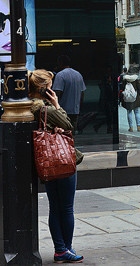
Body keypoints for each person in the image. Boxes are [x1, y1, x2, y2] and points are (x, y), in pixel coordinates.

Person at [29, 69, 85, 264]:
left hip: (45, 163)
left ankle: (60, 249)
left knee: (55, 207)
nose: (53, 91)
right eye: (50, 88)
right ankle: (64, 249)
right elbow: (68, 124)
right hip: (61, 160)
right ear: (44, 90)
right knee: (67, 207)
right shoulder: (47, 109)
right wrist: (57, 105)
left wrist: (54, 127)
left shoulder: (28, 109)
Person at [53, 55, 86, 125]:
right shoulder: (78, 74)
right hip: (75, 110)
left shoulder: (60, 75)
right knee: (72, 132)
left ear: (60, 63)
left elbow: (57, 93)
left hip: (62, 110)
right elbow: (82, 93)